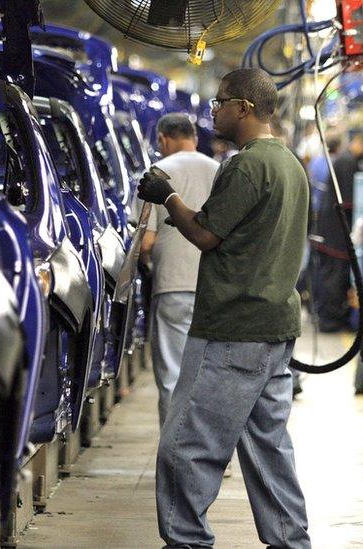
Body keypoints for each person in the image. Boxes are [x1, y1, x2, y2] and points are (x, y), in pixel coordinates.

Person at [139, 67, 311, 549]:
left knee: (184, 449)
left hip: (233, 329)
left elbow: (206, 234)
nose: (213, 110)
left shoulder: (247, 164)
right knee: (268, 449)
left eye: (219, 102)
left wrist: (166, 196)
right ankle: (291, 542)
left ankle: (187, 542)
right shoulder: (290, 164)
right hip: (274, 328)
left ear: (245, 108)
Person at [140, 113, 219, 427]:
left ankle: (175, 459)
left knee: (173, 376)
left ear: (162, 139)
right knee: (210, 378)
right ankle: (212, 456)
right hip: (214, 288)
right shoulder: (220, 171)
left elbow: (145, 241)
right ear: (195, 138)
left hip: (172, 284)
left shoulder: (157, 173)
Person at [310, 132, 363, 333]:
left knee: (333, 275)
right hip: (335, 231)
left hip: (335, 229)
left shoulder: (346, 161)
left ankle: (330, 317)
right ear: (361, 144)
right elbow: (348, 201)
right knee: (334, 276)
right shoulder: (347, 163)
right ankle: (328, 320)